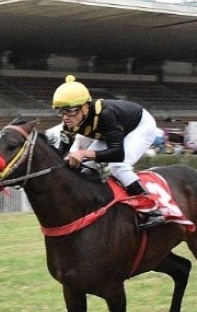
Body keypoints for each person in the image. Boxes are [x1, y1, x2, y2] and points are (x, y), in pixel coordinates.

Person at [51, 74, 165, 229]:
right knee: (88, 165)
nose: (65, 118)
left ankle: (153, 209)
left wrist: (83, 153)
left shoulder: (107, 114)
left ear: (85, 107)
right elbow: (60, 155)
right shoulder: (69, 123)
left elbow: (117, 153)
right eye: (61, 112)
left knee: (117, 166)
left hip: (140, 126)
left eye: (70, 111)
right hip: (111, 132)